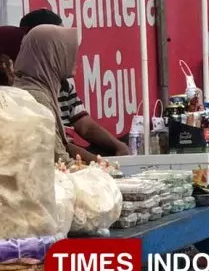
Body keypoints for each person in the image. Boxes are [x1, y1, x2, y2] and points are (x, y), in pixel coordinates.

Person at [20, 9, 129, 156]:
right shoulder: (32, 93)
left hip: (71, 153)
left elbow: (85, 126)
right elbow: (61, 148)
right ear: (48, 47)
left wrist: (119, 147)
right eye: (62, 44)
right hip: (62, 158)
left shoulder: (61, 84)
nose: (70, 53)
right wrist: (101, 165)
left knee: (124, 141)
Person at [14, 25, 84, 163]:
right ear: (51, 55)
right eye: (67, 52)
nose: (75, 58)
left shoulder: (35, 89)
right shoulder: (36, 98)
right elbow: (59, 160)